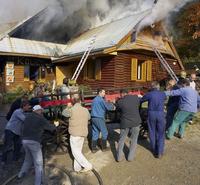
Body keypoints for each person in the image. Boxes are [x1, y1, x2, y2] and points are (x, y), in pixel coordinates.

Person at [18, 105, 55, 185]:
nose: (42, 112)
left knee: (28, 159)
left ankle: (21, 174)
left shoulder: (27, 116)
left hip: (24, 141)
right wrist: (55, 125)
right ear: (38, 111)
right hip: (34, 142)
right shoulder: (40, 118)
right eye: (41, 111)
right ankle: (38, 183)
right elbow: (50, 128)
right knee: (38, 163)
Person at [63, 95, 92, 172]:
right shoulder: (85, 110)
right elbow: (89, 117)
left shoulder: (71, 109)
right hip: (83, 133)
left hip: (75, 134)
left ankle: (88, 165)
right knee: (78, 151)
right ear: (79, 101)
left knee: (76, 152)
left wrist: (68, 107)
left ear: (73, 102)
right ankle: (77, 168)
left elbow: (64, 113)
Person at [140, 81, 166, 158]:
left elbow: (141, 100)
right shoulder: (162, 93)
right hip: (160, 113)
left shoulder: (149, 94)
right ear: (158, 87)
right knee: (161, 133)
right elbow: (164, 99)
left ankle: (154, 150)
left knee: (152, 131)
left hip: (151, 114)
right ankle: (160, 151)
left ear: (152, 87)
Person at [116, 89, 141, 162]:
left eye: (120, 95)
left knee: (121, 140)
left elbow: (117, 109)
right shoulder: (136, 98)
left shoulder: (120, 101)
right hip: (136, 122)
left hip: (125, 123)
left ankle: (119, 158)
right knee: (134, 140)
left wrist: (116, 102)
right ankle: (130, 157)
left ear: (122, 94)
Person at [91, 88, 115, 153]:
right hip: (99, 117)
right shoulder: (101, 100)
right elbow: (107, 107)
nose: (104, 94)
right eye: (103, 92)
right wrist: (112, 104)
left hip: (93, 117)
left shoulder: (94, 99)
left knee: (95, 132)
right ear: (99, 92)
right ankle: (104, 147)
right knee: (104, 132)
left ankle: (93, 148)